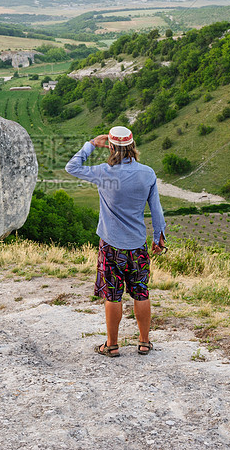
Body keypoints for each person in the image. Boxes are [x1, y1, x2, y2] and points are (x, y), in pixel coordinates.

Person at [65, 125, 166, 357]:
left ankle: (111, 345)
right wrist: (159, 236)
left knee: (113, 294)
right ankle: (143, 342)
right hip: (138, 244)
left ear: (110, 147)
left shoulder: (103, 172)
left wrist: (91, 144)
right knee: (141, 291)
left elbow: (72, 167)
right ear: (133, 146)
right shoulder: (148, 173)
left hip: (111, 245)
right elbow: (156, 209)